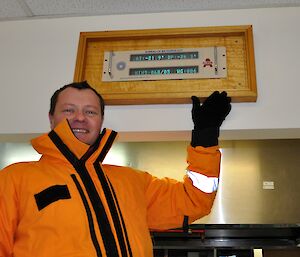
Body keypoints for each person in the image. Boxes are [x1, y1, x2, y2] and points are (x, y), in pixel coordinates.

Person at [0, 81, 231, 257]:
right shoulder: (15, 178)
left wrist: (205, 136)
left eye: (90, 112)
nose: (80, 118)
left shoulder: (132, 181)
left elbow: (194, 200)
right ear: (51, 119)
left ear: (100, 121)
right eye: (68, 110)